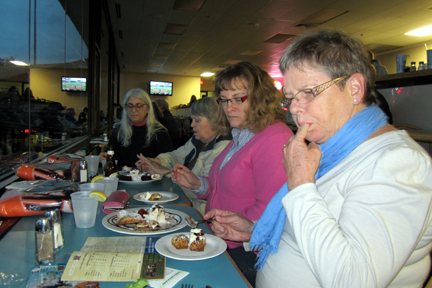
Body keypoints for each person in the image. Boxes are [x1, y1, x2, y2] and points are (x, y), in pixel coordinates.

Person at [204, 29, 432, 288]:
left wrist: (301, 183)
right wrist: (254, 230)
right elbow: (310, 229)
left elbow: (353, 280)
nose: (294, 109)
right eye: (290, 98)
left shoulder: (397, 163)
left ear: (354, 88)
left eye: (309, 92)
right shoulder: (331, 148)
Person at [171, 61, 294, 286]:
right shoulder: (242, 134)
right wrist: (197, 183)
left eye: (238, 99)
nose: (229, 108)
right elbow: (222, 188)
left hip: (248, 253)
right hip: (220, 238)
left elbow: (270, 211)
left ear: (260, 98)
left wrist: (229, 230)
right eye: (225, 100)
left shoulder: (274, 138)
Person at [136, 97, 232, 215]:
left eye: (197, 121)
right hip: (186, 202)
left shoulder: (224, 149)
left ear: (215, 121)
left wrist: (165, 172)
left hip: (201, 213)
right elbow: (176, 156)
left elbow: (203, 191)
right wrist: (156, 161)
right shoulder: (198, 139)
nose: (191, 125)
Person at [100, 88, 173, 167]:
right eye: (130, 106)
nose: (134, 110)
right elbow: (111, 153)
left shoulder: (159, 132)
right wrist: (104, 156)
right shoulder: (119, 130)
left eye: (139, 106)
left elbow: (168, 161)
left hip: (151, 177)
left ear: (148, 108)